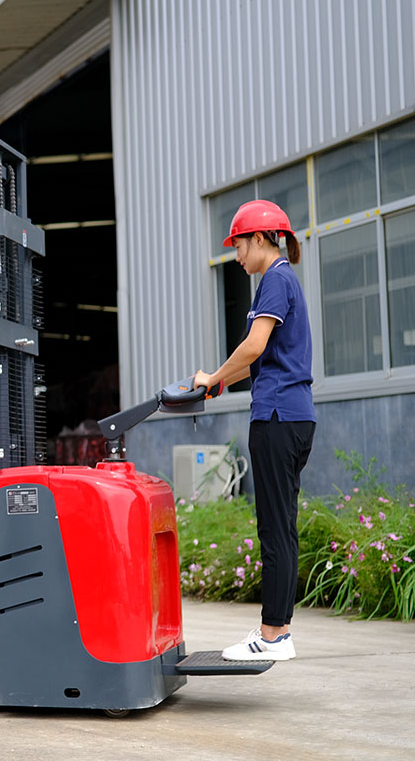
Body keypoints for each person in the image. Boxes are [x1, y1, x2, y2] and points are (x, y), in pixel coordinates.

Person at [194, 200, 316, 661]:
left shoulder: (276, 280)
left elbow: (253, 346)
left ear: (261, 239)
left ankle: (272, 636)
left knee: (274, 528)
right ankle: (277, 631)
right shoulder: (284, 281)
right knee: (282, 525)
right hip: (295, 414)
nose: (236, 256)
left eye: (239, 245)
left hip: (277, 417)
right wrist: (218, 382)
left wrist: (214, 378)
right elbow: (259, 358)